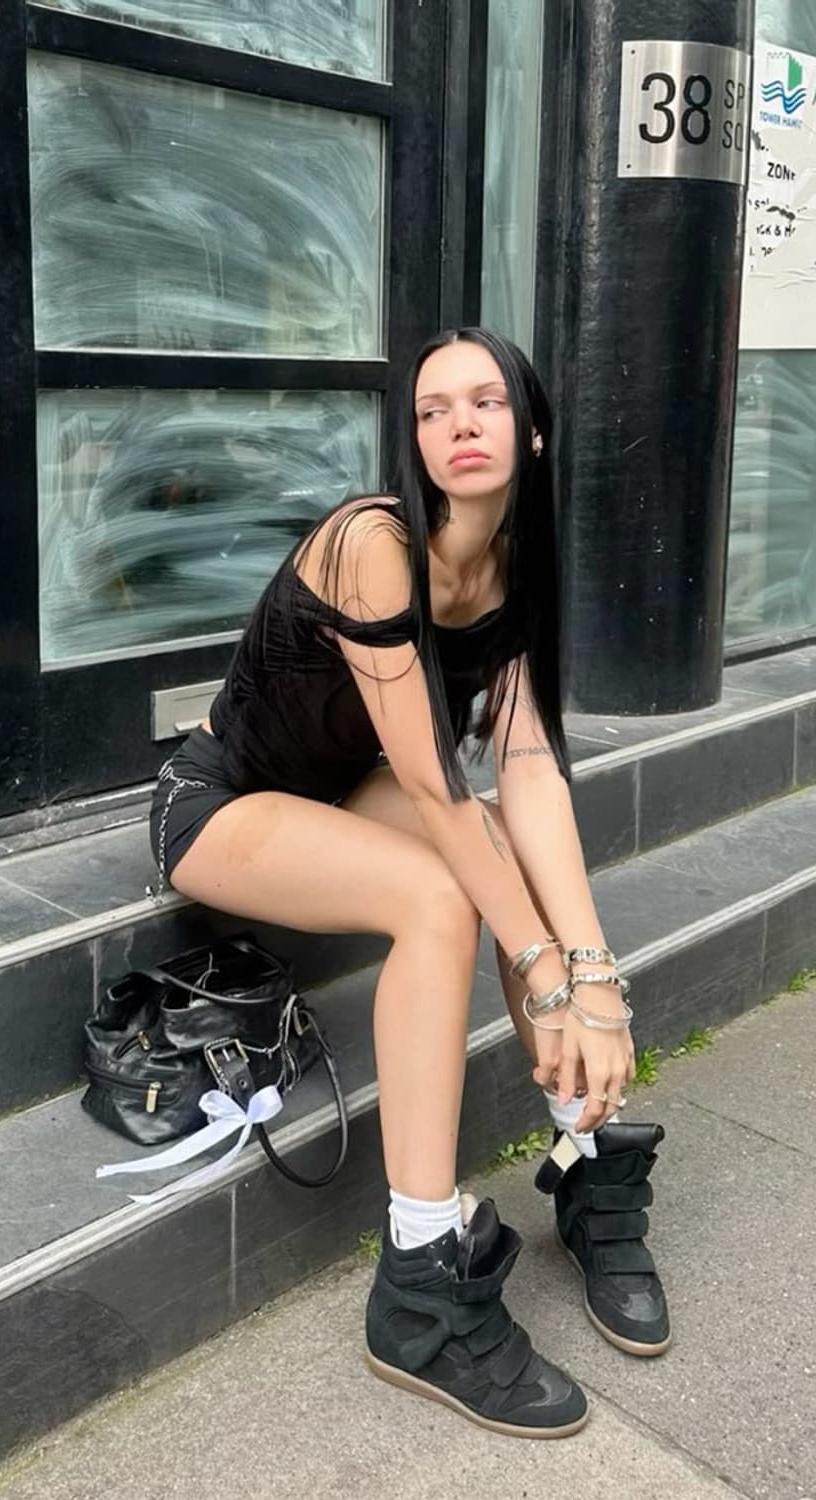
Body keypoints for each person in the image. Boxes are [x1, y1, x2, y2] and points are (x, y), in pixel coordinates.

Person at [148, 328, 669, 1439]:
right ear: (414, 439)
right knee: (439, 895)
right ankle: (420, 1279)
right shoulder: (369, 541)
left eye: (485, 402)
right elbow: (433, 786)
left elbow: (524, 765)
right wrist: (542, 973)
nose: (458, 425)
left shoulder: (518, 564)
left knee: (501, 840)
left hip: (340, 788)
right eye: (433, 410)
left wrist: (595, 979)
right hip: (221, 801)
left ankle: (581, 1144)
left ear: (532, 430)